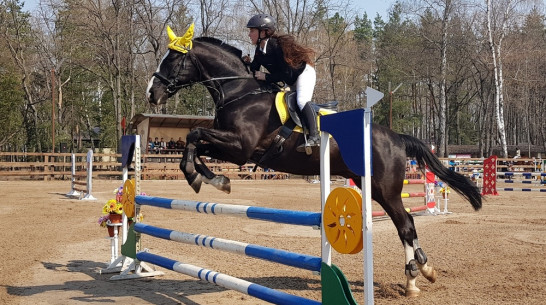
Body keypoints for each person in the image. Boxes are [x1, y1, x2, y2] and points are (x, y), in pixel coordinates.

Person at [243, 14, 318, 151]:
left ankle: (315, 136)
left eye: (252, 31)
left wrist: (266, 77)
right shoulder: (259, 49)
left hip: (303, 74)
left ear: (263, 32)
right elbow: (254, 69)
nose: (249, 34)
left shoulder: (276, 46)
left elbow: (285, 73)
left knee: (301, 101)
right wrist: (245, 64)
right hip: (290, 79)